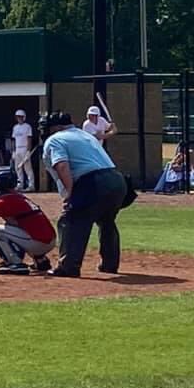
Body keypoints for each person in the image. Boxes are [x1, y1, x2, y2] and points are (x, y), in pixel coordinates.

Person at [40, 110, 129, 278]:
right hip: (117, 180)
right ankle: (110, 265)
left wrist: (69, 193)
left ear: (57, 127)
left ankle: (68, 266)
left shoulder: (55, 139)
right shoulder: (84, 135)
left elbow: (62, 166)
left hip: (92, 182)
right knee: (107, 221)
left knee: (71, 220)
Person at [11, 109, 35, 191]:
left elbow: (29, 138)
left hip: (24, 148)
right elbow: (14, 140)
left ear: (24, 117)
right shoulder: (15, 127)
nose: (19, 118)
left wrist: (28, 151)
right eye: (18, 117)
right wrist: (13, 151)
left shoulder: (27, 126)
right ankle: (20, 184)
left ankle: (31, 185)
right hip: (17, 149)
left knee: (27, 168)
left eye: (20, 117)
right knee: (18, 168)